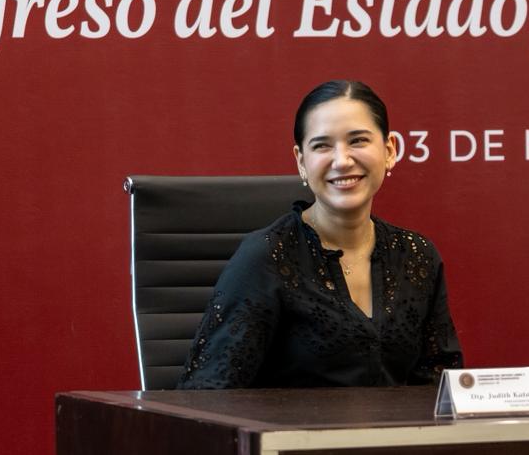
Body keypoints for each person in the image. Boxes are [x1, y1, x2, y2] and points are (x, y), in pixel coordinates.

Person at [178, 81, 463, 388]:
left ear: (389, 150)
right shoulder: (267, 257)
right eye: (322, 146)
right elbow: (208, 395)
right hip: (288, 436)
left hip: (396, 436)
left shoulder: (416, 256)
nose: (342, 161)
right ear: (302, 162)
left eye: (358, 141)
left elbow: (440, 386)